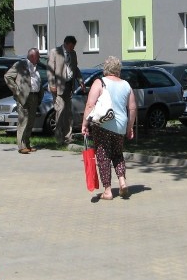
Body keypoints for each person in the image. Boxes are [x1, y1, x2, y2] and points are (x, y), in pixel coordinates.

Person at [81, 56, 137, 201]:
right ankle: (122, 182)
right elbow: (132, 108)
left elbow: (89, 105)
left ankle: (107, 191)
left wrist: (85, 124)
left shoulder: (100, 82)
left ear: (105, 69)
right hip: (120, 126)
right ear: (118, 70)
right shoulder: (126, 85)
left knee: (103, 155)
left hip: (103, 125)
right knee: (118, 154)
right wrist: (129, 128)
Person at [4, 48, 44, 154]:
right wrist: (17, 90)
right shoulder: (20, 64)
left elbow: (37, 80)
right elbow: (7, 77)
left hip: (35, 96)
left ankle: (27, 144)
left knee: (30, 121)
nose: (39, 58)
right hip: (24, 97)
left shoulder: (36, 67)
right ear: (32, 56)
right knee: (23, 121)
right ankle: (21, 146)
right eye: (38, 56)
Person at [47, 35, 84, 145]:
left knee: (68, 112)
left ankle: (68, 136)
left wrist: (80, 80)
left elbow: (75, 68)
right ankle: (59, 138)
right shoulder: (55, 52)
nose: (72, 49)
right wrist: (52, 84)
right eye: (71, 46)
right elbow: (50, 70)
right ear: (66, 44)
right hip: (58, 87)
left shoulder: (73, 53)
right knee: (60, 110)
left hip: (69, 86)